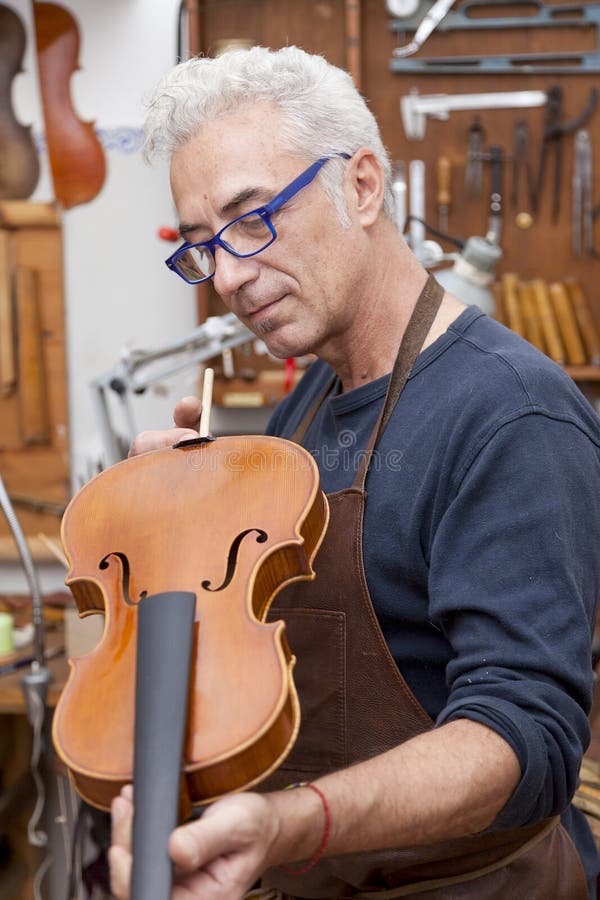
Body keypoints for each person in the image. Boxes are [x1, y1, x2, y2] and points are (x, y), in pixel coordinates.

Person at [109, 45, 600, 899]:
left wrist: (292, 822)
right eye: (200, 246)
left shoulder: (511, 414)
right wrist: (182, 515)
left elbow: (524, 735)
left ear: (362, 186)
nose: (226, 274)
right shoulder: (299, 412)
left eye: (252, 219)